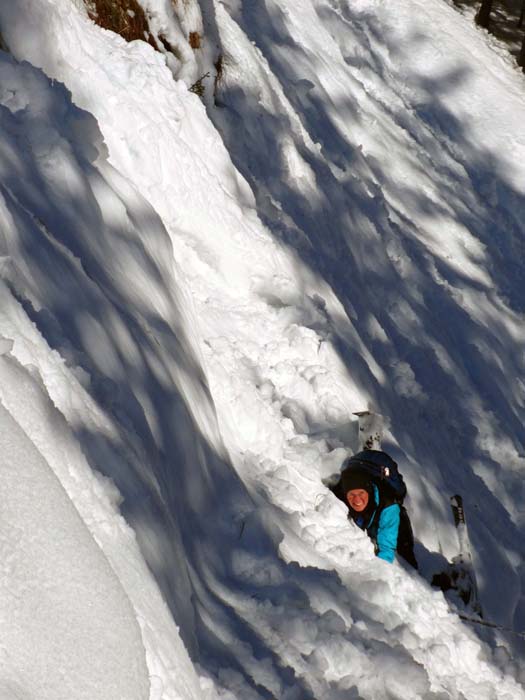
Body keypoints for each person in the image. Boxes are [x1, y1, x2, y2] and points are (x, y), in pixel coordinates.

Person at [337, 460, 418, 568]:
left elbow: (386, 548)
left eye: (361, 493)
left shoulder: (388, 506)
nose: (357, 500)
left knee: (407, 561)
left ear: (368, 491)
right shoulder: (339, 496)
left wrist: (379, 572)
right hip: (369, 522)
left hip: (396, 530)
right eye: (352, 494)